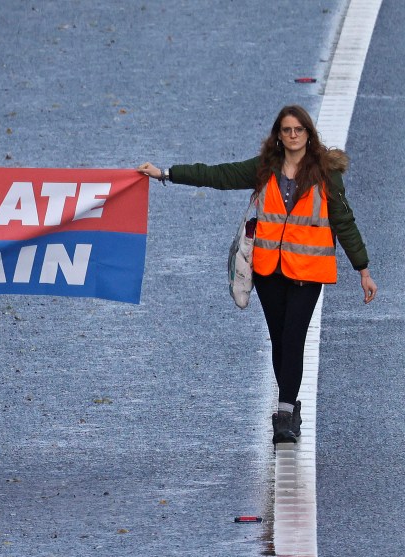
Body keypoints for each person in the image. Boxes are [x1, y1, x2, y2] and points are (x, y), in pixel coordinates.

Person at [137, 104, 377, 444]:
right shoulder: (265, 169)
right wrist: (166, 173)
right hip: (269, 271)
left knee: (294, 338)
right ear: (278, 135)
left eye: (299, 130)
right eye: (286, 130)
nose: (293, 135)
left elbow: (344, 221)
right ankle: (290, 407)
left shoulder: (326, 174)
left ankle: (283, 417)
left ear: (309, 134)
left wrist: (363, 270)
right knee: (281, 341)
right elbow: (218, 175)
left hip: (308, 272)